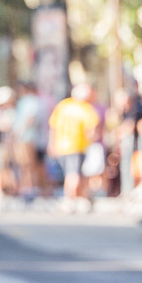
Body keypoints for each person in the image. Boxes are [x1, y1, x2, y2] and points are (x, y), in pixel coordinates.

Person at [48, 83, 101, 211]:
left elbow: (53, 127)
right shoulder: (86, 108)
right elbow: (92, 130)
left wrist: (51, 144)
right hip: (77, 145)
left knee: (70, 173)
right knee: (74, 174)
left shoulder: (63, 106)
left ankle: (77, 198)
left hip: (61, 145)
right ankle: (70, 199)